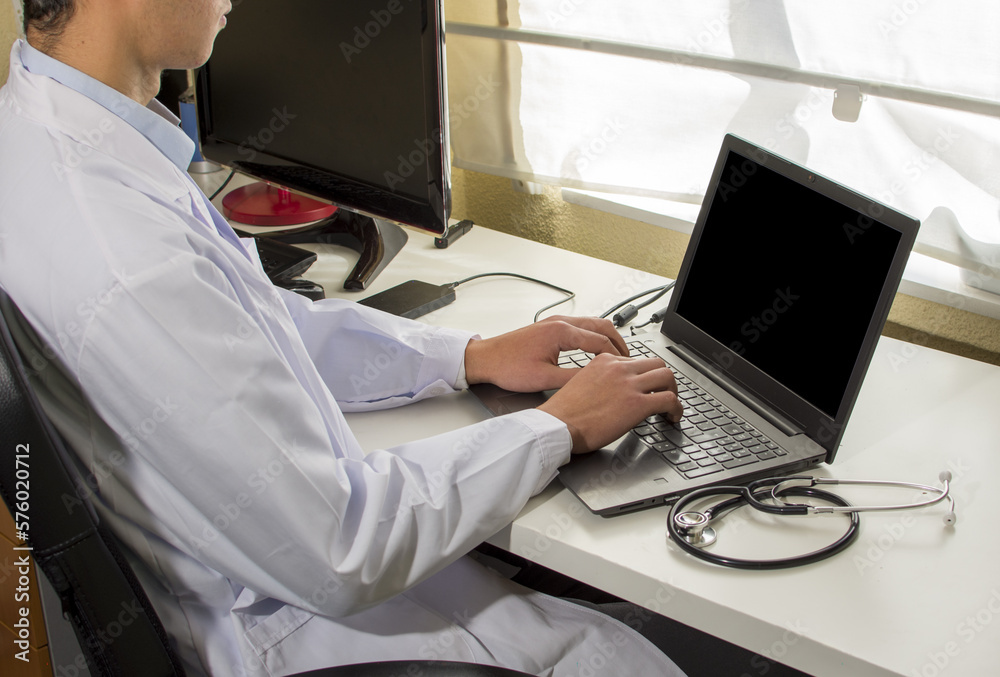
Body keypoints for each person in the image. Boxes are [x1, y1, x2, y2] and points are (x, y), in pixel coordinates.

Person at [0, 1, 686, 675]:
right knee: (628, 653)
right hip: (291, 626)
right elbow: (344, 544)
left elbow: (249, 328)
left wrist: (466, 356)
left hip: (267, 568)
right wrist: (557, 426)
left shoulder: (35, 127)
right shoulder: (124, 251)